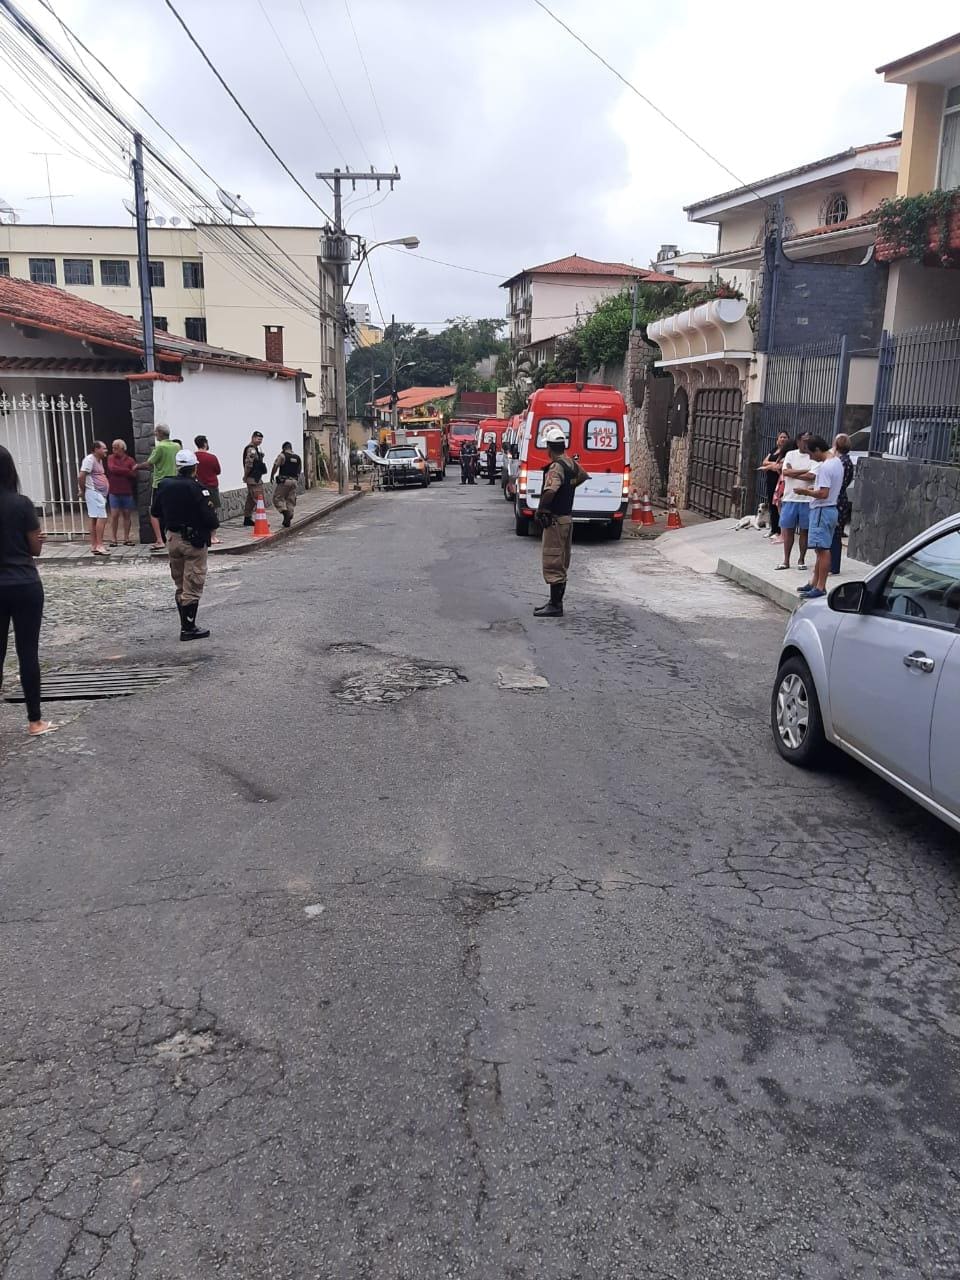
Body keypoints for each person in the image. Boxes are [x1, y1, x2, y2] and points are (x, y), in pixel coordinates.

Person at [0, 445, 55, 736]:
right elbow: (34, 548)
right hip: (23, 582)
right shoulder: (21, 504)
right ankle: (35, 720)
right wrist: (37, 538)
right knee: (27, 652)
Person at [151, 449, 219, 641]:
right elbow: (210, 519)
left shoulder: (164, 485)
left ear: (178, 467)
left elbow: (155, 511)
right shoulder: (197, 488)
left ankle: (185, 624)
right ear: (194, 468)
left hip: (172, 539)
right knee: (193, 582)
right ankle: (188, 627)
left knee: (180, 582)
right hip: (193, 540)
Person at [533, 425, 590, 617]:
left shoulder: (556, 467)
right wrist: (570, 486)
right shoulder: (570, 463)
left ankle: (556, 605)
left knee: (553, 559)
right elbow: (582, 476)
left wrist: (542, 509)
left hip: (556, 520)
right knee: (562, 559)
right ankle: (553, 602)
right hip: (567, 518)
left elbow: (550, 490)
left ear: (549, 448)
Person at [795, 436, 844, 600]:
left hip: (822, 510)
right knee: (820, 548)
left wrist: (806, 492)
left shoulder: (825, 467)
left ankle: (820, 586)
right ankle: (814, 582)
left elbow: (823, 493)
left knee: (822, 550)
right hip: (830, 509)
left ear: (817, 450)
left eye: (810, 453)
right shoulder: (836, 461)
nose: (810, 457)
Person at [776, 432, 819, 573]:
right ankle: (786, 560)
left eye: (809, 440)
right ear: (798, 441)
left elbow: (811, 476)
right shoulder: (790, 454)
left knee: (804, 532)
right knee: (788, 530)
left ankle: (801, 559)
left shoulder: (813, 456)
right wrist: (803, 471)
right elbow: (786, 472)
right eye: (804, 441)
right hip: (790, 497)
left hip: (807, 499)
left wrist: (794, 471)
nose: (806, 444)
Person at [137, 424, 179, 551]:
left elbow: (150, 463)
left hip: (160, 483)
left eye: (156, 432)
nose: (155, 434)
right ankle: (173, 537)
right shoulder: (177, 446)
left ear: (160, 433)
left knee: (154, 512)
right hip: (174, 481)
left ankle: (160, 540)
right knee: (171, 510)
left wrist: (136, 466)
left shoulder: (160, 447)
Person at [77, 439, 110, 557]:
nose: (106, 450)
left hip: (99, 493)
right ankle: (100, 545)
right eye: (104, 448)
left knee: (95, 518)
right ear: (96, 449)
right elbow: (81, 476)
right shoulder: (89, 460)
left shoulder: (99, 460)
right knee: (102, 517)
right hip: (94, 492)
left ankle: (95, 545)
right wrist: (83, 489)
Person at [104, 439, 138, 547]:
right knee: (114, 515)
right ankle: (113, 538)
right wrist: (127, 470)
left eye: (116, 448)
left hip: (126, 491)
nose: (113, 450)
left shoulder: (130, 460)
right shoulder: (110, 458)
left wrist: (125, 471)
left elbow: (135, 474)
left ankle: (126, 538)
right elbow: (112, 469)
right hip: (114, 490)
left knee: (127, 515)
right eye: (113, 447)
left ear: (122, 449)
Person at [759, 431, 791, 542]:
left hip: (779, 481)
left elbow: (780, 466)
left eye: (785, 437)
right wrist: (772, 466)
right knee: (771, 505)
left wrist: (771, 466)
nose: (783, 439)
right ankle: (773, 529)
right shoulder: (773, 450)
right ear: (777, 439)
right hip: (770, 480)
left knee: (778, 505)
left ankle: (779, 530)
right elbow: (764, 462)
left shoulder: (787, 452)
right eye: (781, 437)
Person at [831, 433, 854, 575]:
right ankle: (833, 564)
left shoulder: (840, 462)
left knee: (834, 533)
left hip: (837, 498)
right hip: (842, 497)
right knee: (836, 532)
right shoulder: (847, 461)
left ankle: (833, 565)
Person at [193, 436, 222, 545]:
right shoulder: (212, 458)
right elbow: (218, 471)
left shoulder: (193, 457)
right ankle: (213, 536)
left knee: (199, 510)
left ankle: (201, 532)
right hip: (211, 486)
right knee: (212, 511)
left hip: (198, 486)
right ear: (205, 443)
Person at [270, 440, 302, 528]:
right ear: (291, 448)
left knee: (277, 498)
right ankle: (289, 516)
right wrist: (296, 479)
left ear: (283, 448)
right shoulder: (298, 457)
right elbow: (299, 470)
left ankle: (285, 512)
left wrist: (272, 475)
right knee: (291, 500)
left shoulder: (282, 456)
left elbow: (276, 465)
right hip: (294, 482)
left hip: (284, 482)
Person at [242, 430, 266, 525]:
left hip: (255, 478)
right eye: (258, 439)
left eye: (261, 439)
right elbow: (249, 464)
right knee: (260, 500)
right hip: (253, 478)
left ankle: (247, 519)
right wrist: (245, 475)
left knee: (251, 500)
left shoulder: (256, 449)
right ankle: (261, 521)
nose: (260, 441)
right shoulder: (251, 449)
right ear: (253, 438)